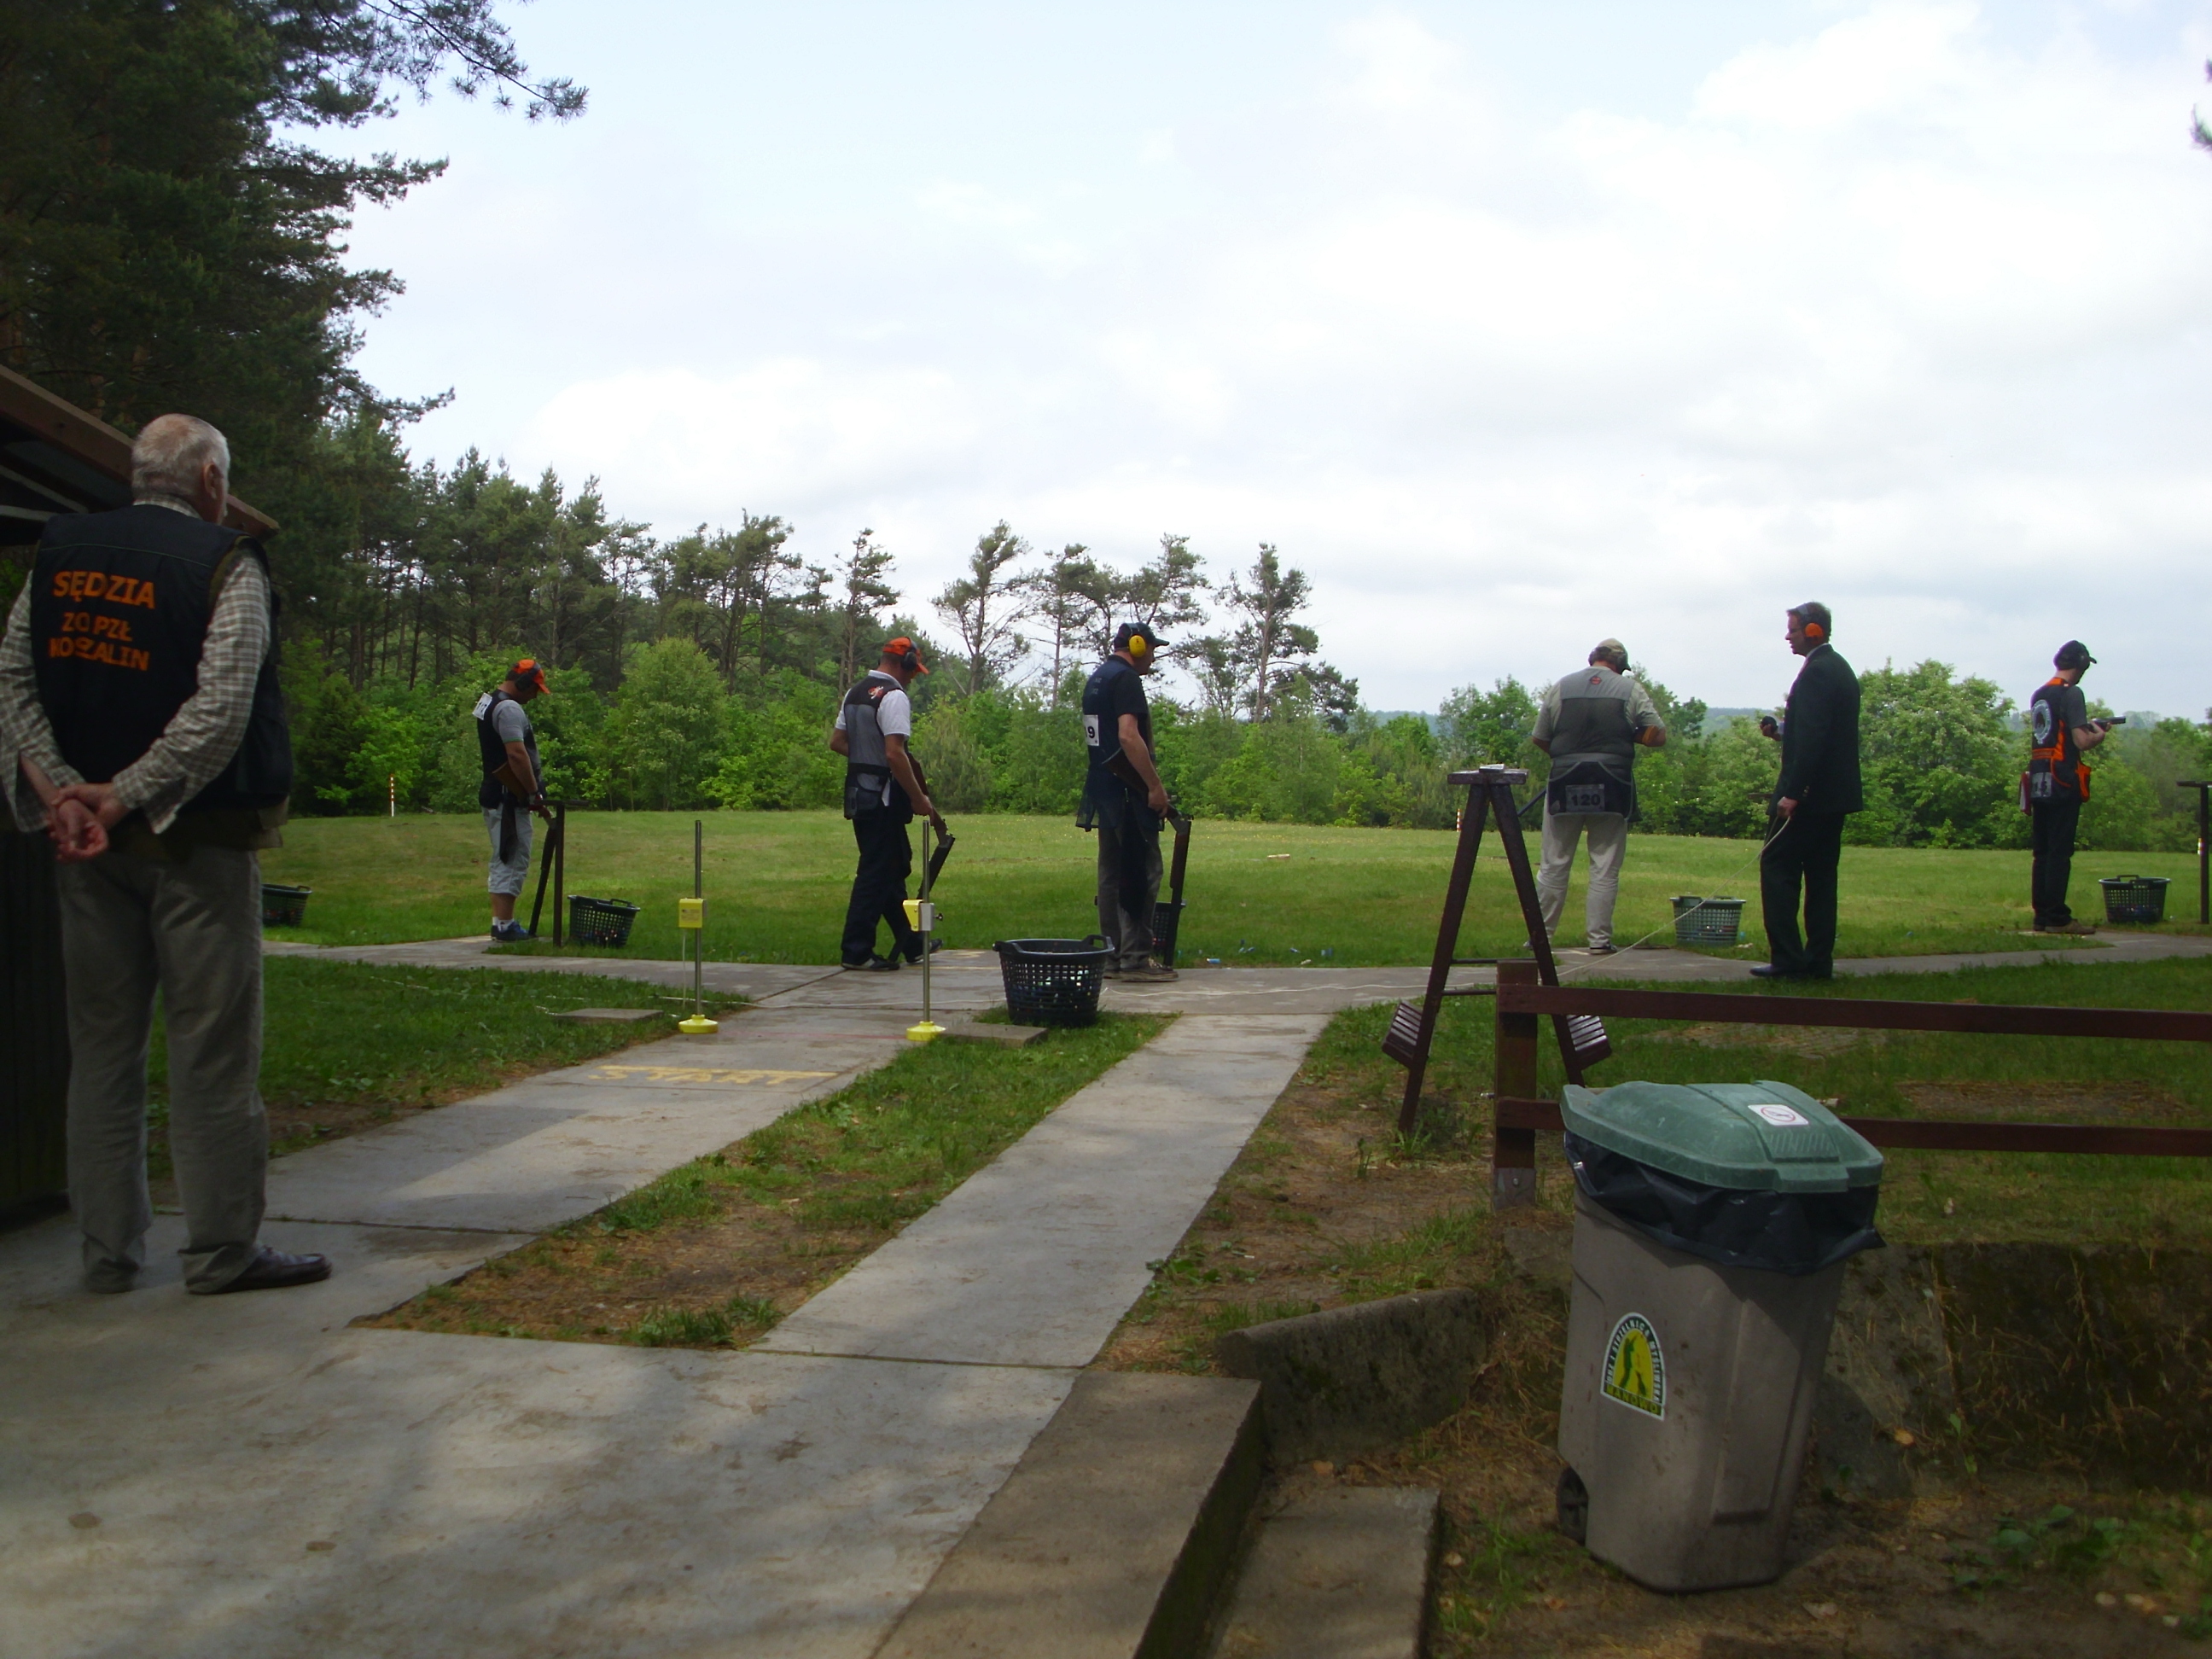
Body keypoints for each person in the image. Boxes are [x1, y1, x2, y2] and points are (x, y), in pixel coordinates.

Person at [0, 413, 330, 1295]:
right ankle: (222, 1253)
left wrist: (64, 796)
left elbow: (14, 683)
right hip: (196, 846)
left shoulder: (58, 556)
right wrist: (124, 795)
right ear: (212, 483)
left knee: (101, 1050)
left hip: (84, 848)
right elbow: (220, 708)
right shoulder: (227, 564)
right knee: (210, 1049)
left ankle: (105, 1255)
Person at [1528, 638, 1666, 954]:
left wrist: (1569, 758)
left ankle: (1540, 938)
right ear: (1620, 665)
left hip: (1565, 780)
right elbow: (1658, 735)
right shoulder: (1630, 689)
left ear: (1593, 659)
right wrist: (1633, 737)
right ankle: (1599, 941)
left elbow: (1540, 737)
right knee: (1605, 865)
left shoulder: (1561, 686)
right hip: (1613, 782)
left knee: (1554, 862)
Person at [1752, 602, 1862, 980]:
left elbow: (1814, 738)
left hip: (1809, 797)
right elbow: (1821, 730)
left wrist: (1794, 792)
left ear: (1814, 632)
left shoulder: (1816, 672)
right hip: (1834, 796)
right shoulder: (1839, 668)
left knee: (1777, 866)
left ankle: (1787, 958)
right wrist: (1781, 732)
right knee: (1821, 878)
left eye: (1793, 629)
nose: (1788, 636)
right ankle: (1818, 961)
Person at [829, 637, 942, 969]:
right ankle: (856, 952)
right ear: (905, 664)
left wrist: (870, 759)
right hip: (883, 799)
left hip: (859, 795)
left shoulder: (856, 693)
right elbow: (895, 753)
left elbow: (838, 742)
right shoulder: (893, 696)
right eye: (914, 672)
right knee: (875, 874)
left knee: (891, 867)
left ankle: (912, 944)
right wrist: (918, 797)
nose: (913, 678)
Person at [1080, 623, 1175, 983]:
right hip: (1127, 790)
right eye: (1151, 648)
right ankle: (1135, 960)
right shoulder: (1126, 679)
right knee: (1142, 871)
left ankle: (1112, 957)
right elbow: (1128, 736)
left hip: (1104, 788)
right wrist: (1154, 786)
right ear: (1137, 646)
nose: (1152, 656)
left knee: (1110, 874)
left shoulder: (1098, 678)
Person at [2026, 640, 2111, 935]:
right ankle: (2058, 918)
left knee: (2042, 853)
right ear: (2082, 664)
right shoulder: (2072, 693)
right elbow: (2081, 741)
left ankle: (2041, 916)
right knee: (2060, 853)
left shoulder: (2040, 693)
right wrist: (2099, 735)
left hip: (2039, 778)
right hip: (2063, 778)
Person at [474, 659, 553, 942]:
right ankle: (505, 925)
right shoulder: (509, 709)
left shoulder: (488, 702)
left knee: (503, 857)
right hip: (509, 797)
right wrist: (533, 793)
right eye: (534, 690)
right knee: (513, 856)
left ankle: (501, 923)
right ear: (522, 683)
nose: (534, 696)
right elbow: (517, 755)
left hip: (497, 793)